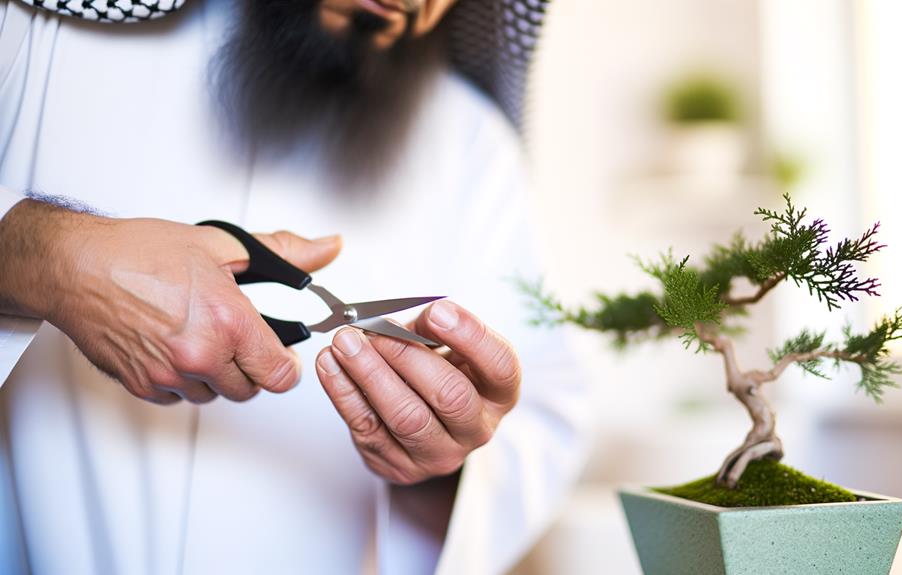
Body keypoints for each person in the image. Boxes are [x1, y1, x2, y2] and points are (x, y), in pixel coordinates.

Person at [0, 0, 590, 573]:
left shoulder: (471, 146)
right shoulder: (38, 39)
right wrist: (52, 260)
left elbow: (540, 429)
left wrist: (442, 466)